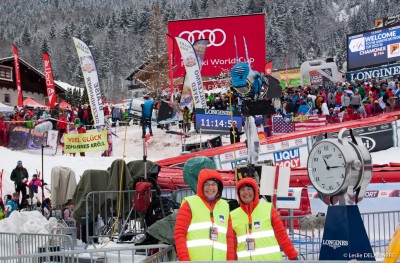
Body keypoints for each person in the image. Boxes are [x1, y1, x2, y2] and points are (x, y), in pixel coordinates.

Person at [174, 169, 235, 261]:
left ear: (219, 187)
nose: (210, 188)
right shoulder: (189, 203)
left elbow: (229, 237)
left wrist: (230, 261)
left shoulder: (225, 206)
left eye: (214, 184)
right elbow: (179, 234)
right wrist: (184, 260)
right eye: (207, 184)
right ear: (200, 186)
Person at [230, 178, 298, 261]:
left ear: (255, 191)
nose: (246, 192)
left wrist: (293, 257)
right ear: (238, 193)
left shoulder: (268, 209)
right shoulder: (232, 215)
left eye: (249, 189)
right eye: (242, 190)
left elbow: (282, 235)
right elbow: (232, 245)